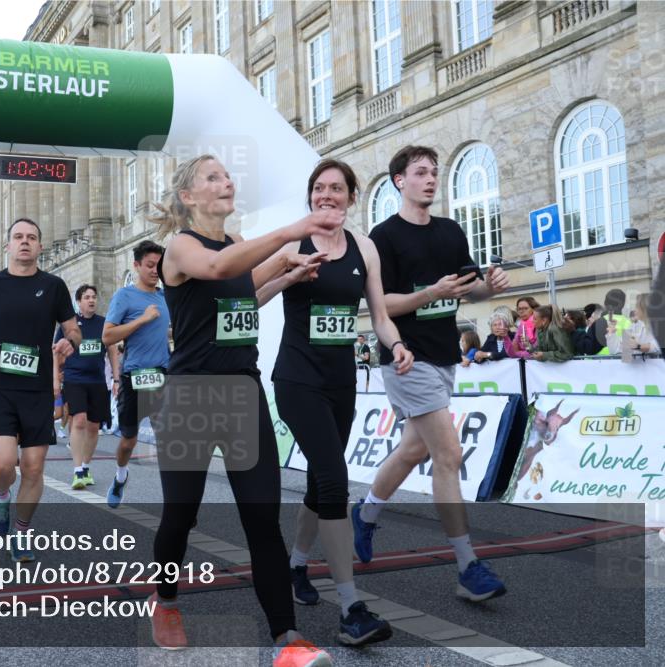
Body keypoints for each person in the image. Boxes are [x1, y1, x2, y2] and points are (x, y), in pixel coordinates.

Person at [148, 154, 334, 665]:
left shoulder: (234, 245)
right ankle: (163, 600)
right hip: (189, 397)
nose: (226, 181)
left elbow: (242, 297)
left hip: (241, 393)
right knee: (180, 516)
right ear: (188, 197)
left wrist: (287, 274)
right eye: (213, 177)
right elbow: (216, 270)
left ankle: (286, 639)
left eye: (228, 175)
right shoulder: (183, 247)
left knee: (261, 519)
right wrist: (289, 234)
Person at [257, 157, 414, 646]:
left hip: (341, 381)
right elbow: (251, 295)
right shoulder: (291, 243)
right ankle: (351, 608)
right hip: (297, 379)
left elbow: (380, 314)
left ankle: (296, 567)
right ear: (311, 196)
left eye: (337, 189)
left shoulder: (363, 248)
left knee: (321, 483)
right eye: (319, 189)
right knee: (333, 479)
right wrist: (287, 276)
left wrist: (397, 344)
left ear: (350, 196)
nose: (327, 196)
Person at [356, 145, 510, 602]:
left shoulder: (450, 231)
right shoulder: (383, 237)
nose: (430, 179)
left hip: (445, 356)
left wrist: (491, 286)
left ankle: (363, 517)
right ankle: (467, 566)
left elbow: (469, 293)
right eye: (420, 172)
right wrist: (430, 294)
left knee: (411, 450)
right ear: (399, 181)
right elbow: (379, 306)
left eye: (434, 172)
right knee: (449, 454)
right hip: (406, 357)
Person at [0, 218, 80, 563]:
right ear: (8, 245)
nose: (25, 242)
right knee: (2, 464)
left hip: (37, 390)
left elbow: (73, 330)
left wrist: (69, 343)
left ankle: (23, 531)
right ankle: (1, 496)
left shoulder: (54, 286)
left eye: (31, 238)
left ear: (40, 247)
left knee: (32, 468)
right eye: (18, 237)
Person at [102, 240, 171, 508]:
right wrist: (141, 319)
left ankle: (177, 504)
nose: (156, 271)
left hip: (163, 376)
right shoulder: (124, 296)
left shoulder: (165, 298)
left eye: (159, 266)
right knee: (128, 441)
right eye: (150, 266)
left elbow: (166, 330)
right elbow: (107, 336)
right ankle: (120, 476)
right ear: (137, 265)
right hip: (134, 378)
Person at [54, 284, 115, 490]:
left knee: (94, 427)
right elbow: (56, 352)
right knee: (78, 420)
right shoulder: (68, 326)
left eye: (94, 297)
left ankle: (86, 467)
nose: (91, 300)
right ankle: (77, 470)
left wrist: (116, 379)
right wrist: (55, 378)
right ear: (79, 302)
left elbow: (112, 351)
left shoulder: (104, 323)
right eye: (87, 297)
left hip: (97, 380)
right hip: (74, 378)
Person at [591, 288, 632, 355]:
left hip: (602, 361)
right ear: (623, 304)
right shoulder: (630, 323)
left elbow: (590, 347)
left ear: (606, 303)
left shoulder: (601, 321)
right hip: (624, 361)